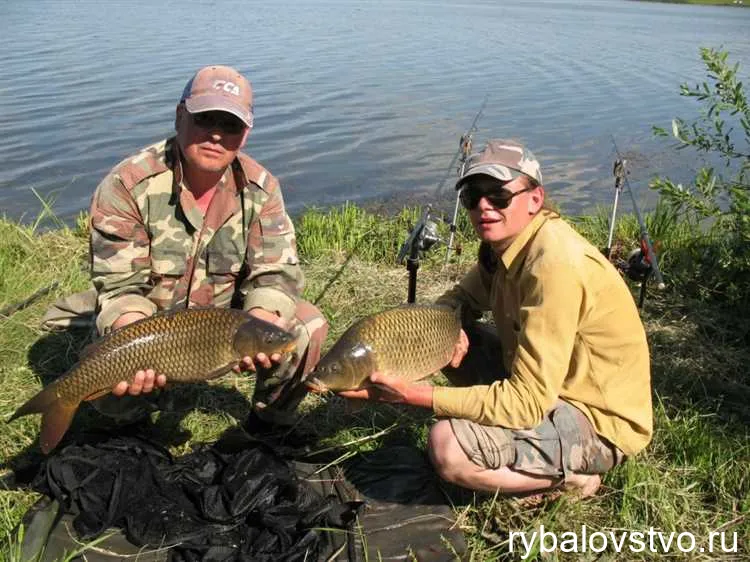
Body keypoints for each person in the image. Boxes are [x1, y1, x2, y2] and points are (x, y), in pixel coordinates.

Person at [341, 139, 652, 498]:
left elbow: (527, 402)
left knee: (448, 449)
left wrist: (415, 395)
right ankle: (521, 444)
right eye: (472, 197)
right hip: (546, 386)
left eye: (499, 196)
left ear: (535, 199)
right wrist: (450, 328)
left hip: (599, 420)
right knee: (451, 334)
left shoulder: (553, 265)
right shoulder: (505, 246)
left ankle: (574, 479)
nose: (484, 207)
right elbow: (459, 301)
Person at [45, 65, 327, 423]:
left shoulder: (261, 188)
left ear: (246, 133)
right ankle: (122, 424)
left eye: (230, 125)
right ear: (180, 116)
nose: (216, 135)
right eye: (205, 119)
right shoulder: (127, 185)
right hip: (149, 322)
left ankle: (269, 426)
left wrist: (260, 320)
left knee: (306, 325)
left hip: (224, 322)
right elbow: (120, 288)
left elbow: (276, 274)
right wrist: (129, 328)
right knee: (118, 371)